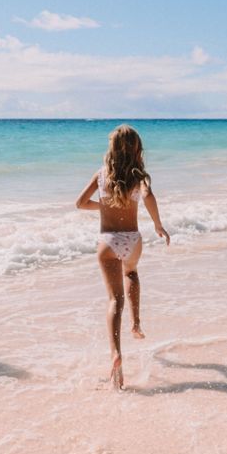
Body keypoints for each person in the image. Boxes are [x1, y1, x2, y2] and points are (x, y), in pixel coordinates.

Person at [76, 125, 170, 389]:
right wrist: (158, 224)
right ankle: (136, 323)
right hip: (132, 239)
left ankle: (116, 352)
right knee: (132, 273)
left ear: (112, 148)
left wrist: (103, 206)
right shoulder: (140, 177)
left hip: (108, 241)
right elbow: (149, 197)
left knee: (114, 300)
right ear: (137, 148)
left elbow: (80, 203)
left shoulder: (102, 174)